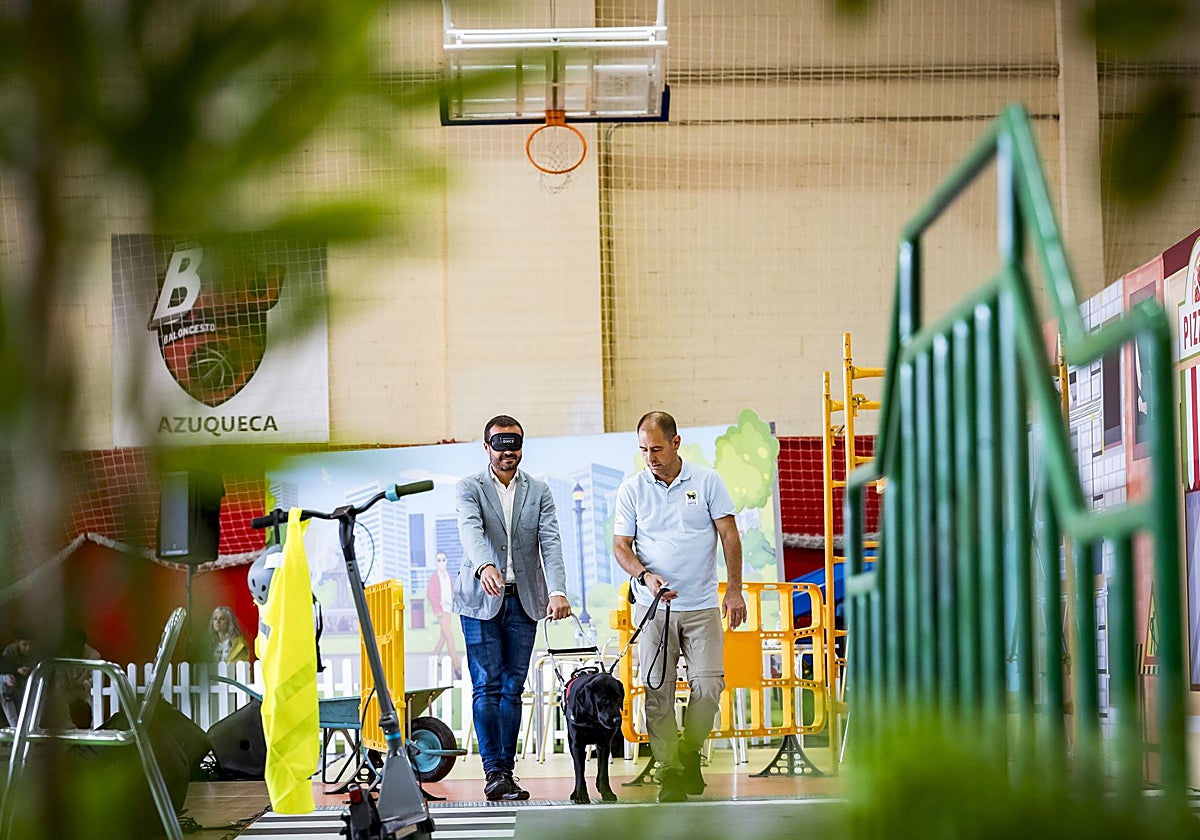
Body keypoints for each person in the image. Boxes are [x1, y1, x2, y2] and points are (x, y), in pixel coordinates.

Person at [612, 411, 746, 802]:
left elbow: (729, 535)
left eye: (656, 448)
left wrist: (734, 590)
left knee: (709, 685)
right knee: (658, 692)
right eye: (643, 450)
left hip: (702, 605)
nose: (650, 457)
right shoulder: (632, 489)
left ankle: (688, 752)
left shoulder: (707, 481)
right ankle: (670, 771)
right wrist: (643, 576)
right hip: (654, 609)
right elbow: (621, 546)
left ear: (675, 443)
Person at [453, 414, 572, 801]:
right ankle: (493, 772)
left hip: (524, 600)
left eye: (515, 445)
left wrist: (558, 590)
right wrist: (484, 564)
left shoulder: (539, 491)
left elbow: (550, 542)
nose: (509, 453)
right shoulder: (469, 487)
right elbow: (471, 529)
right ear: (486, 447)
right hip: (479, 599)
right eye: (500, 445)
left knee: (512, 688)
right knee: (486, 685)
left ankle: (506, 771)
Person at [426, 551, 463, 680]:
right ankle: (457, 668)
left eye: (443, 560)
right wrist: (439, 603)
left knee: (444, 636)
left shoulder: (448, 576)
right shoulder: (435, 577)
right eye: (439, 560)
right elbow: (431, 594)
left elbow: (452, 591)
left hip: (448, 609)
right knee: (450, 638)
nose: (441, 562)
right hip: (441, 610)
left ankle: (434, 657)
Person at [1, 629, 37, 726]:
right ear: (17, 643)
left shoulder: (37, 652)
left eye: (31, 644)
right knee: (2, 682)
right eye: (24, 645)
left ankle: (27, 727)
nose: (28, 648)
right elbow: (3, 667)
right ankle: (15, 726)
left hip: (28, 688)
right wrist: (16, 670)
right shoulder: (10, 650)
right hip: (12, 686)